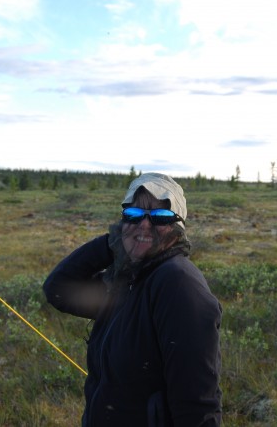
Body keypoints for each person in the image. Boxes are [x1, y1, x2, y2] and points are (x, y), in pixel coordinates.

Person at [43, 172, 222, 426]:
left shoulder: (178, 285)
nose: (145, 225)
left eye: (160, 217)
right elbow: (59, 290)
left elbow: (198, 403)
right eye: (134, 216)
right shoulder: (125, 280)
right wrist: (113, 243)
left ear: (177, 228)